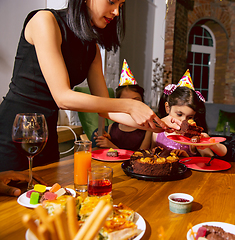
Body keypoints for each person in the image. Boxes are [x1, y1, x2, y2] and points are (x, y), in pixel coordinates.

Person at [0, 0, 178, 172]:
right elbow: (62, 97)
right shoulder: (44, 20)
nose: (116, 12)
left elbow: (105, 108)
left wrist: (159, 123)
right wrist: (130, 105)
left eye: (120, 5)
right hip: (15, 131)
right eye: (111, 2)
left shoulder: (90, 46)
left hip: (45, 133)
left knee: (48, 198)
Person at [152, 71, 213, 157]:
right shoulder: (156, 133)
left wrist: (187, 158)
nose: (183, 121)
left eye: (190, 117)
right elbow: (147, 155)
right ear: (167, 108)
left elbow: (209, 158)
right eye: (179, 114)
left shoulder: (193, 137)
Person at [92, 64, 152, 151]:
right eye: (125, 102)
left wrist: (112, 146)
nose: (131, 106)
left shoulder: (148, 129)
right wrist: (106, 141)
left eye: (135, 101)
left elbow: (140, 157)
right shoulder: (111, 128)